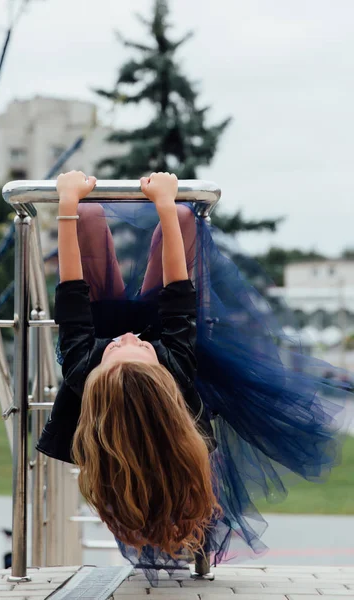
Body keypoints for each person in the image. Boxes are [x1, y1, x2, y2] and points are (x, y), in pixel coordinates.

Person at [37, 170, 350, 580]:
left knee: (88, 214)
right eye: (135, 346)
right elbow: (180, 297)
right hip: (162, 321)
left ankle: (87, 217)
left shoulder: (83, 365)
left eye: (116, 347)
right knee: (184, 219)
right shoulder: (176, 367)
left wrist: (66, 203)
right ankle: (168, 218)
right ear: (163, 376)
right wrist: (165, 205)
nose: (127, 337)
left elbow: (71, 290)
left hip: (95, 318)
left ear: (99, 368)